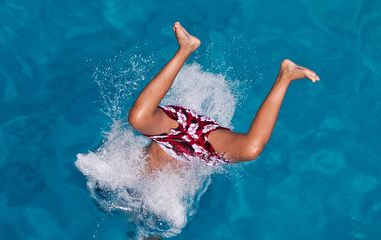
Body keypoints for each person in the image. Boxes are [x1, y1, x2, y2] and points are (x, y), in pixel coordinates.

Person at [129, 22, 320, 170]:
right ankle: (286, 76)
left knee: (138, 118)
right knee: (251, 150)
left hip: (169, 136)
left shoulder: (122, 173)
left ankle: (185, 48)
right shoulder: (164, 205)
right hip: (200, 151)